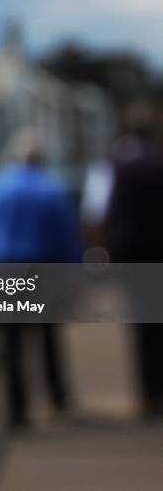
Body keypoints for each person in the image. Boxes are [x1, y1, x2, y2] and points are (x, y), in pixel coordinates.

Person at [0, 129, 82, 427]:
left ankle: (17, 410)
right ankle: (58, 397)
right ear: (40, 159)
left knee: (11, 339)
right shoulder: (51, 188)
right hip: (44, 267)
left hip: (4, 268)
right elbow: (67, 236)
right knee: (49, 335)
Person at [102, 103, 163, 417]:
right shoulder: (158, 160)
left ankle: (147, 395)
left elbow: (99, 207)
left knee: (141, 322)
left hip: (128, 250)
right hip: (157, 249)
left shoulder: (115, 163)